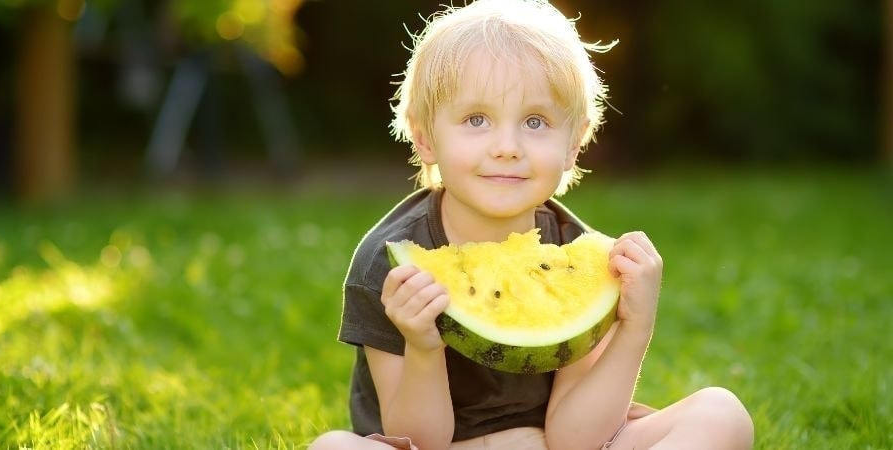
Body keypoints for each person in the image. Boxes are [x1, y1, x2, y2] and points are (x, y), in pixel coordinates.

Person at [309, 0, 754, 448]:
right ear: (425, 137)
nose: (507, 147)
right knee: (334, 447)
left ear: (573, 145)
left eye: (535, 122)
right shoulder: (389, 264)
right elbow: (419, 442)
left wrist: (635, 327)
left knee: (721, 413)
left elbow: (575, 439)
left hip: (548, 443)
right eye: (476, 119)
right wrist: (423, 348)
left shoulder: (585, 261)